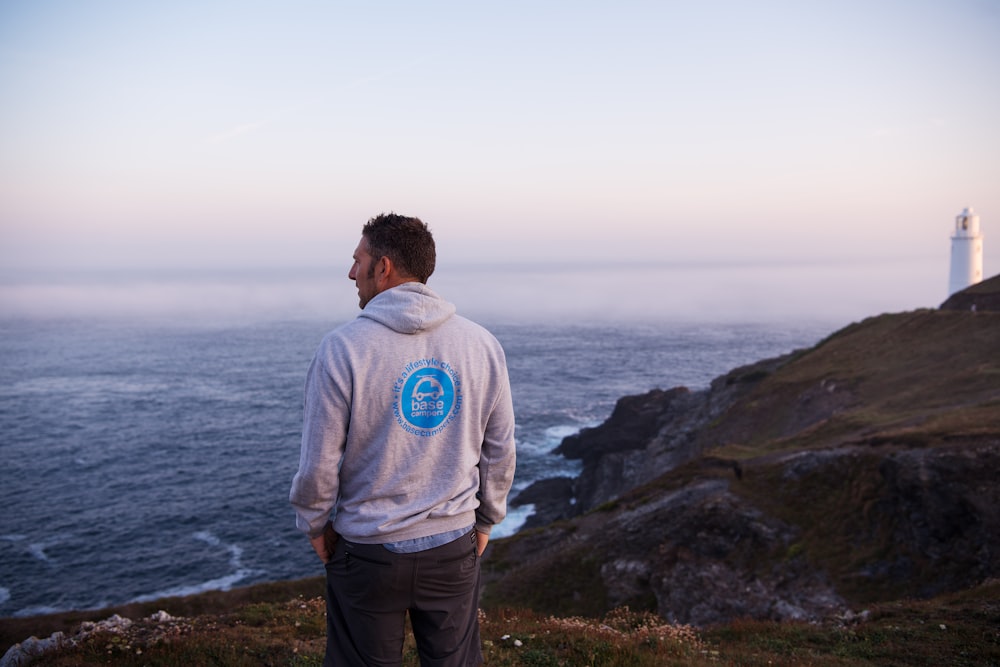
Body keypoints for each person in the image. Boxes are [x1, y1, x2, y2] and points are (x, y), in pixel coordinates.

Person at [289, 213, 517, 667]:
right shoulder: (481, 344)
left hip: (368, 553)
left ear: (384, 266)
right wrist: (488, 520)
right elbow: (500, 448)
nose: (351, 273)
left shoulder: (343, 348)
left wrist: (314, 525)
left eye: (358, 261)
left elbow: (318, 464)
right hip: (453, 546)